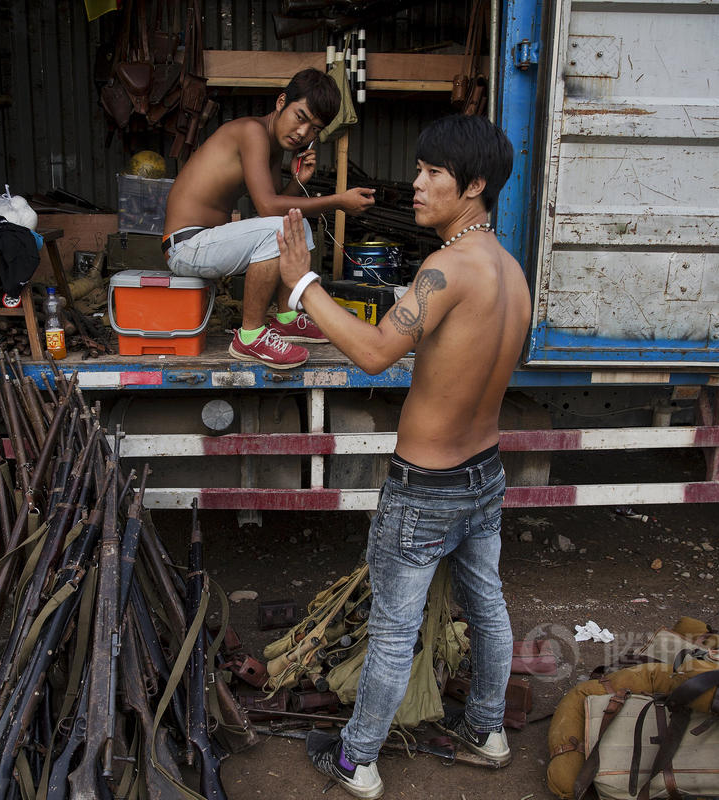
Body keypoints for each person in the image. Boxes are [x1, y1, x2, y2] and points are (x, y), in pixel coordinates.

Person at [275, 114, 530, 799]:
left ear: (474, 185)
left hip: (426, 487)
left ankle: (357, 760)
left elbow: (372, 352)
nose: (415, 184)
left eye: (432, 174)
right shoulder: (510, 272)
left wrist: (303, 285)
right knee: (489, 608)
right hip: (484, 474)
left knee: (393, 632)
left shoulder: (446, 269)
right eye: (419, 170)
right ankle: (487, 731)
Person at [162, 68, 376, 369]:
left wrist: (297, 180)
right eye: (300, 117)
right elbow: (266, 207)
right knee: (282, 224)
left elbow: (277, 207)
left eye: (314, 129)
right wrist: (339, 201)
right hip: (186, 247)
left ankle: (286, 318)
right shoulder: (252, 131)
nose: (303, 132)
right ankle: (249, 336)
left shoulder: (275, 149)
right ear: (281, 102)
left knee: (295, 222)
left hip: (208, 243)